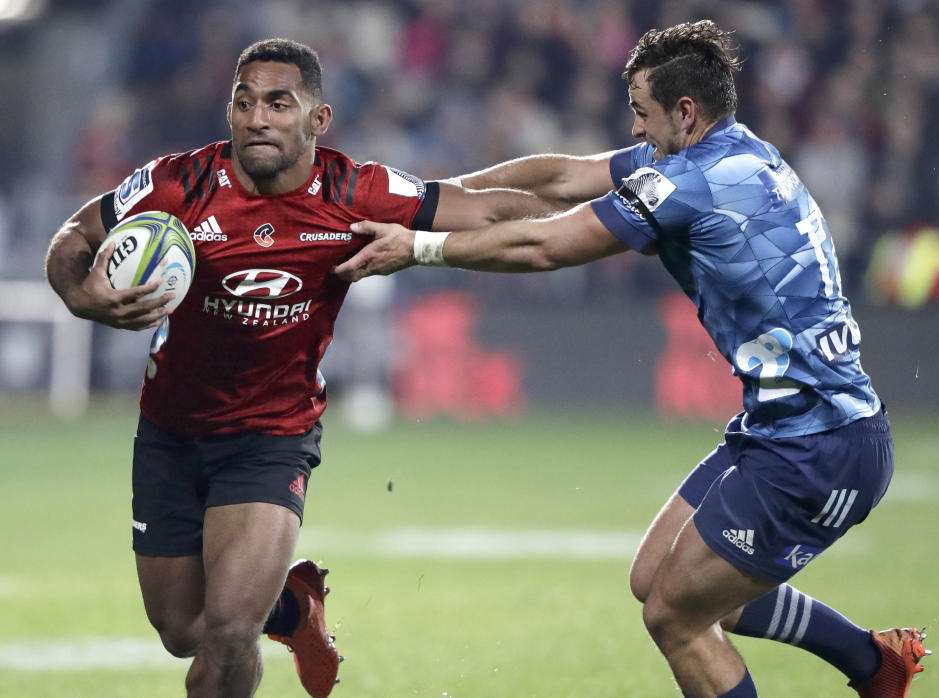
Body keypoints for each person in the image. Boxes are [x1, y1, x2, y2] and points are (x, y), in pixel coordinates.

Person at [335, 20, 931, 698]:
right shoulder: (738, 153)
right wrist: (432, 202)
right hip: (788, 429)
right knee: (657, 577)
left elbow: (545, 246)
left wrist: (418, 249)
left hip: (819, 448)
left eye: (643, 114)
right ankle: (870, 663)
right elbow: (561, 176)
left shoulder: (692, 184)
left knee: (674, 615)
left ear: (685, 112)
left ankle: (868, 666)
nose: (636, 129)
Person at [44, 38, 558, 698]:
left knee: (230, 634)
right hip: (170, 433)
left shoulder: (357, 190)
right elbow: (77, 234)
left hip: (270, 437)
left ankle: (262, 612)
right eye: (244, 102)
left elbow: (488, 208)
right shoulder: (180, 182)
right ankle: (293, 608)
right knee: (182, 630)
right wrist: (78, 292)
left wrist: (598, 221)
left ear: (318, 120)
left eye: (279, 103)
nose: (257, 117)